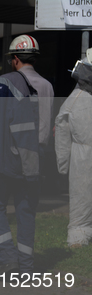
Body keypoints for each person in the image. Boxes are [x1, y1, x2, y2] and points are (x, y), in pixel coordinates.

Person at [0, 36, 42, 279]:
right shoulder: (35, 89)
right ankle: (26, 265)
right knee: (25, 212)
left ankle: (8, 258)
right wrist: (33, 170)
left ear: (14, 60)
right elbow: (28, 135)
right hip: (24, 164)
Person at [55, 49, 92, 247]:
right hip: (82, 152)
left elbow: (62, 129)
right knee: (82, 195)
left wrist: (63, 163)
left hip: (82, 155)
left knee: (82, 196)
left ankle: (79, 235)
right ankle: (79, 234)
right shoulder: (77, 98)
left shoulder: (75, 98)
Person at [7, 35, 54, 160]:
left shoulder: (9, 83)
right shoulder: (47, 86)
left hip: (15, 150)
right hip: (40, 150)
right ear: (35, 60)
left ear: (16, 59)